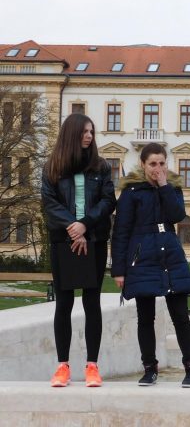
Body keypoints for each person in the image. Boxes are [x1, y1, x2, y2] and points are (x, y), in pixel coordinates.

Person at [111, 143, 190, 387]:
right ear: (143, 164)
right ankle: (149, 368)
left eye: (161, 163)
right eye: (152, 164)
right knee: (145, 317)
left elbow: (177, 215)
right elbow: (121, 232)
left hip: (170, 255)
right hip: (142, 258)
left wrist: (164, 186)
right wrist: (119, 270)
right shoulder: (131, 192)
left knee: (180, 316)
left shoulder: (172, 188)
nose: (157, 168)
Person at [41, 113, 116, 388]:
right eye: (85, 132)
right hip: (63, 242)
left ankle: (92, 366)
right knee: (64, 303)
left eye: (91, 132)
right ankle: (62, 366)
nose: (89, 136)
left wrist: (84, 225)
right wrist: (73, 228)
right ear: (72, 134)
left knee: (91, 302)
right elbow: (49, 203)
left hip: (94, 240)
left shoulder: (101, 166)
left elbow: (108, 201)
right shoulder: (53, 167)